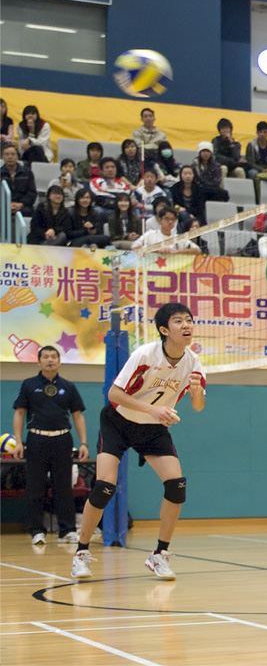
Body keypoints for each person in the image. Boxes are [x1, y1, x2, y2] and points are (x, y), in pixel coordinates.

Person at [71, 303, 206, 580]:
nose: (186, 325)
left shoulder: (193, 362)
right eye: (178, 321)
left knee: (177, 486)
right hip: (118, 422)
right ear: (164, 330)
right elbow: (114, 394)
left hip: (152, 429)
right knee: (104, 487)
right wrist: (152, 410)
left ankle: (159, 555)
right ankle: (81, 553)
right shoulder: (145, 354)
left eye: (189, 320)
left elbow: (198, 407)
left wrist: (196, 393)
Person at [11, 345, 89, 545]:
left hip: (62, 440)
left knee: (63, 486)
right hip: (36, 439)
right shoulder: (28, 385)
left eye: (53, 356)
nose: (50, 360)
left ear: (59, 362)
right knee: (35, 486)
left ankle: (67, 530)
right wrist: (18, 441)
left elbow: (78, 415)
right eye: (45, 357)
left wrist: (83, 443)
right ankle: (37, 531)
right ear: (39, 362)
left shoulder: (68, 386)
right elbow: (19, 413)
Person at [132, 206, 200, 255]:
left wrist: (175, 252)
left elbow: (197, 251)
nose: (170, 222)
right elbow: (135, 247)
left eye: (173, 219)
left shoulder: (178, 238)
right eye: (167, 219)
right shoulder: (150, 234)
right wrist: (156, 251)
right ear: (160, 220)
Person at [2, 145, 36, 218]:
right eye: (7, 154)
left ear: (17, 157)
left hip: (23, 205)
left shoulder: (27, 173)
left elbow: (32, 193)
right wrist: (7, 204)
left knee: (29, 211)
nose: (10, 157)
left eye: (13, 154)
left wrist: (21, 204)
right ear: (3, 157)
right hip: (3, 205)